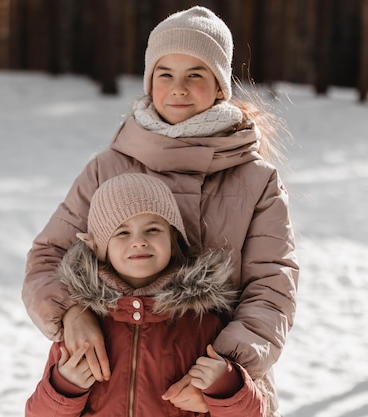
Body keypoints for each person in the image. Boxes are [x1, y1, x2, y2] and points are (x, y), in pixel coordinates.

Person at [22, 5, 299, 416]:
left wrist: (221, 373)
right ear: (150, 81)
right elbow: (48, 257)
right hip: (112, 384)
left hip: (216, 394)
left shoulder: (256, 180)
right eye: (165, 74)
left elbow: (272, 289)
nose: (179, 88)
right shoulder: (109, 166)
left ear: (220, 86)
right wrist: (71, 314)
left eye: (196, 75)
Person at [25, 173, 266, 417]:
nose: (139, 241)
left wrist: (225, 386)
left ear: (174, 241)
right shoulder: (82, 327)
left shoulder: (202, 323)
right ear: (97, 247)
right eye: (122, 233)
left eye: (152, 229)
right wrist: (65, 386)